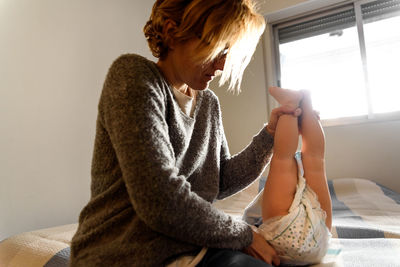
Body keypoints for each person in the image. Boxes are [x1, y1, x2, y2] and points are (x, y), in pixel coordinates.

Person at [69, 0, 300, 266]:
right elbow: (159, 199)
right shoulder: (133, 77)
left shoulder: (208, 104)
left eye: (228, 51)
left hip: (184, 246)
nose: (222, 65)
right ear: (172, 32)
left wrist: (270, 135)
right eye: (216, 48)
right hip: (121, 253)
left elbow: (220, 180)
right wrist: (245, 235)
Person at [244, 87, 332, 265]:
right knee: (315, 160)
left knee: (283, 159)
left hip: (292, 239)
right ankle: (304, 103)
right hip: (319, 237)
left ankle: (294, 104)